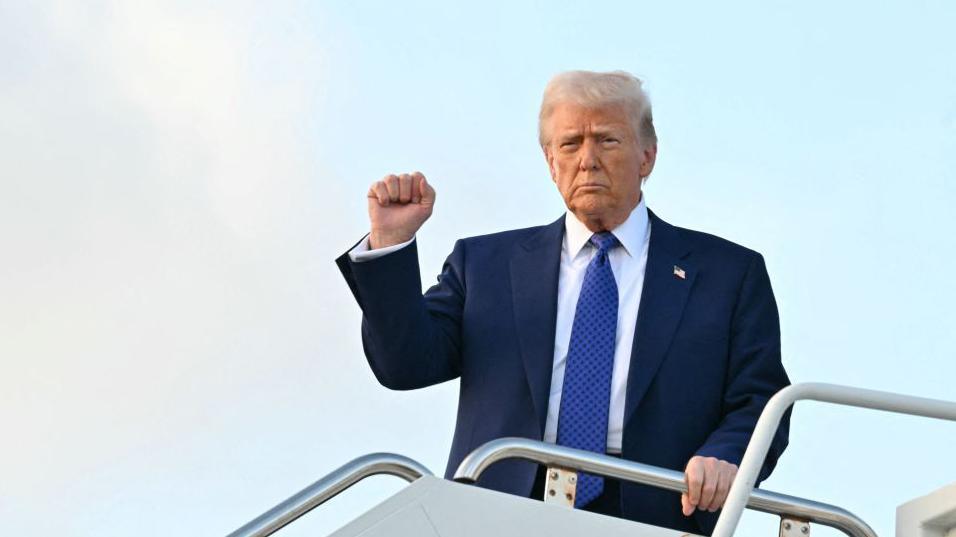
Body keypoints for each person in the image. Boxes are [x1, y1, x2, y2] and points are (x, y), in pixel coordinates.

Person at [335, 70, 790, 535]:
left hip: (655, 511)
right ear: (551, 161)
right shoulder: (486, 264)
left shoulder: (728, 273)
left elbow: (761, 400)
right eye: (570, 144)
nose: (587, 160)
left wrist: (727, 455)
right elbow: (405, 365)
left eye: (608, 140)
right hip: (499, 509)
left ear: (647, 156)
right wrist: (389, 244)